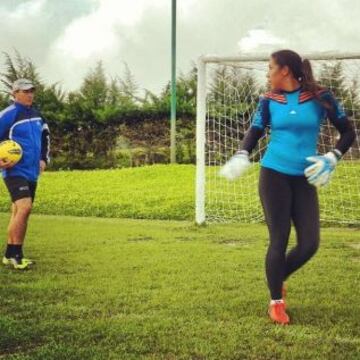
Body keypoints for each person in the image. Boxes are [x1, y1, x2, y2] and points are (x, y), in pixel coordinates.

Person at [220, 50, 356, 324]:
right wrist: (242, 153)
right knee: (279, 239)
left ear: (285, 70)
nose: (267, 73)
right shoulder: (268, 100)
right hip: (273, 175)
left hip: (305, 177)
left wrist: (332, 157)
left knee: (309, 244)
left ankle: (277, 278)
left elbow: (349, 131)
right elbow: (255, 130)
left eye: (270, 68)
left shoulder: (321, 97)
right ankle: (276, 301)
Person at [0, 78, 50, 270]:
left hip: (32, 171)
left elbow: (45, 137)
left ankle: (10, 254)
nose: (30, 94)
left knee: (19, 211)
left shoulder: (38, 115)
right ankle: (15, 255)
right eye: (25, 91)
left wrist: (44, 159)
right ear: (15, 93)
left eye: (32, 91)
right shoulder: (8, 114)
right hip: (14, 171)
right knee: (24, 207)